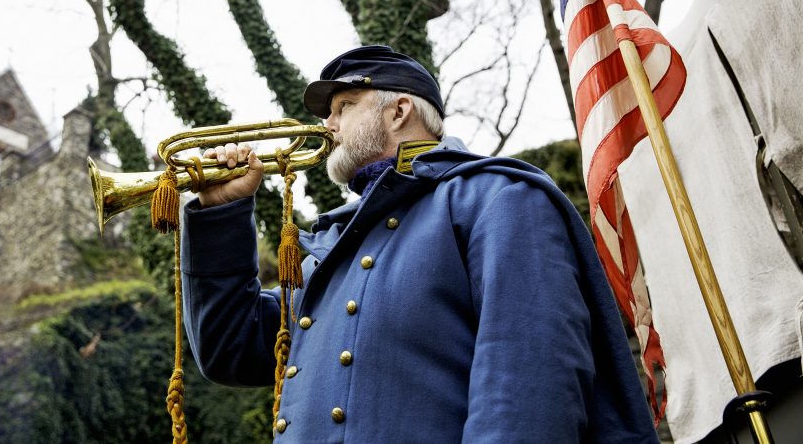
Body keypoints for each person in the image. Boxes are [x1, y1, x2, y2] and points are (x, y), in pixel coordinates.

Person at [180, 45, 658, 442]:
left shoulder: (498, 198)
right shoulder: (333, 251)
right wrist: (221, 213)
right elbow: (229, 348)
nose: (328, 125)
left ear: (399, 110)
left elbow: (529, 390)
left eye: (344, 107)